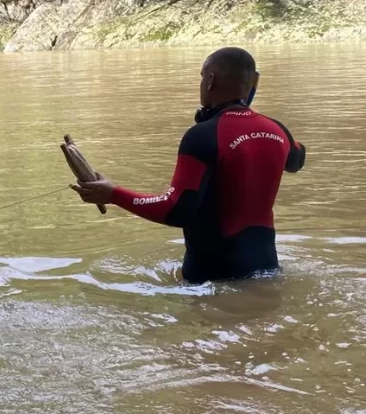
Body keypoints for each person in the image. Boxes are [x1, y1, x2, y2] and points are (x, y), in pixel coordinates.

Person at [72, 47, 306, 284]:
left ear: (210, 80)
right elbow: (297, 160)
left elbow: (176, 210)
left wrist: (113, 194)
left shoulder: (202, 135)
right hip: (267, 269)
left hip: (210, 280)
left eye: (202, 77)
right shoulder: (278, 131)